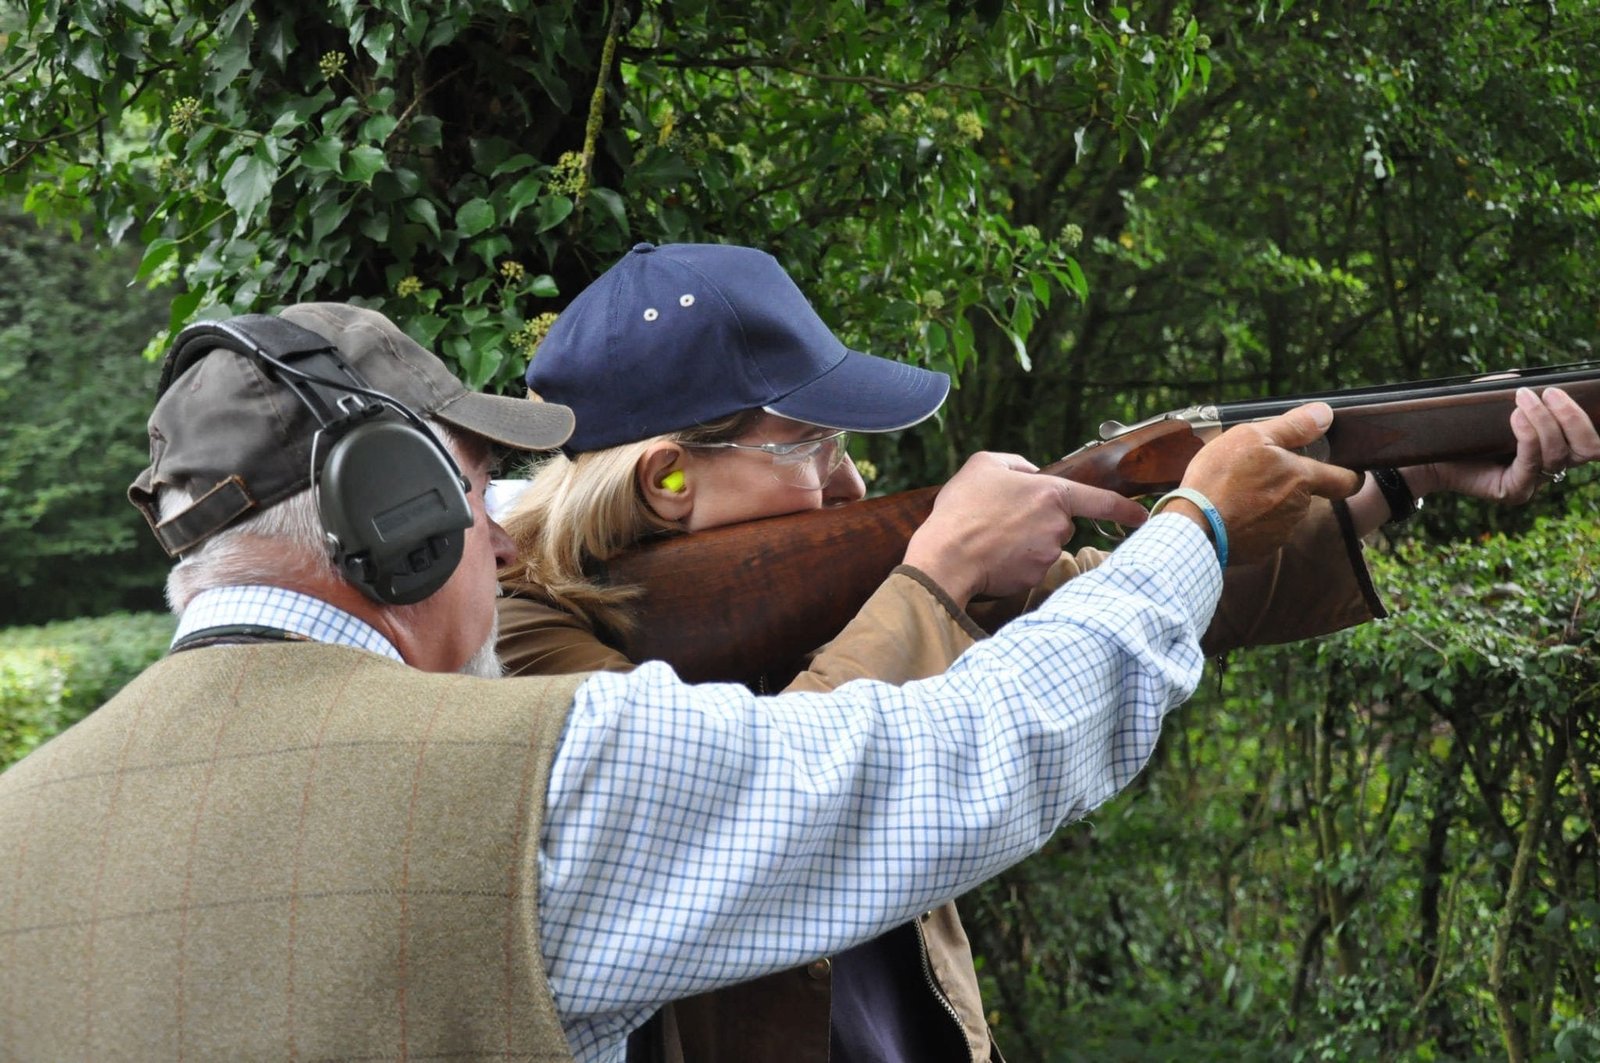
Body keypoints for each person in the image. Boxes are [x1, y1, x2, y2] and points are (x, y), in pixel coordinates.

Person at [0, 298, 1402, 1063]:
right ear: (401, 514)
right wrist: (1196, 519)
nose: (495, 527)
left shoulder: (17, 828)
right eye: (473, 489)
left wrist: (1362, 485)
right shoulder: (529, 772)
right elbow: (959, 752)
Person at [495, 243, 1600, 1062]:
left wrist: (1400, 477)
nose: (850, 485)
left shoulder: (816, 594)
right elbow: (784, 782)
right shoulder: (516, 655)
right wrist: (933, 575)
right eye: (812, 445)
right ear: (667, 481)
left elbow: (1139, 605)